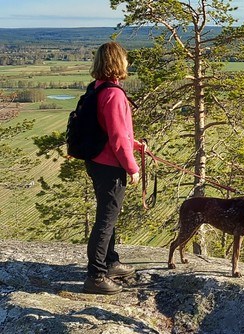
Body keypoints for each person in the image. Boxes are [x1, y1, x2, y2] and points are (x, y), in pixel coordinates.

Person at [83, 41, 145, 295]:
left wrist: (134, 143)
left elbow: (113, 132)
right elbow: (118, 140)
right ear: (118, 62)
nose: (128, 63)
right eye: (125, 59)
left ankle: (110, 262)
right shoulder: (114, 94)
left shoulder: (97, 89)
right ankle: (96, 276)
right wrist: (133, 168)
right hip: (110, 165)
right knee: (106, 220)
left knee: (109, 215)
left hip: (97, 161)